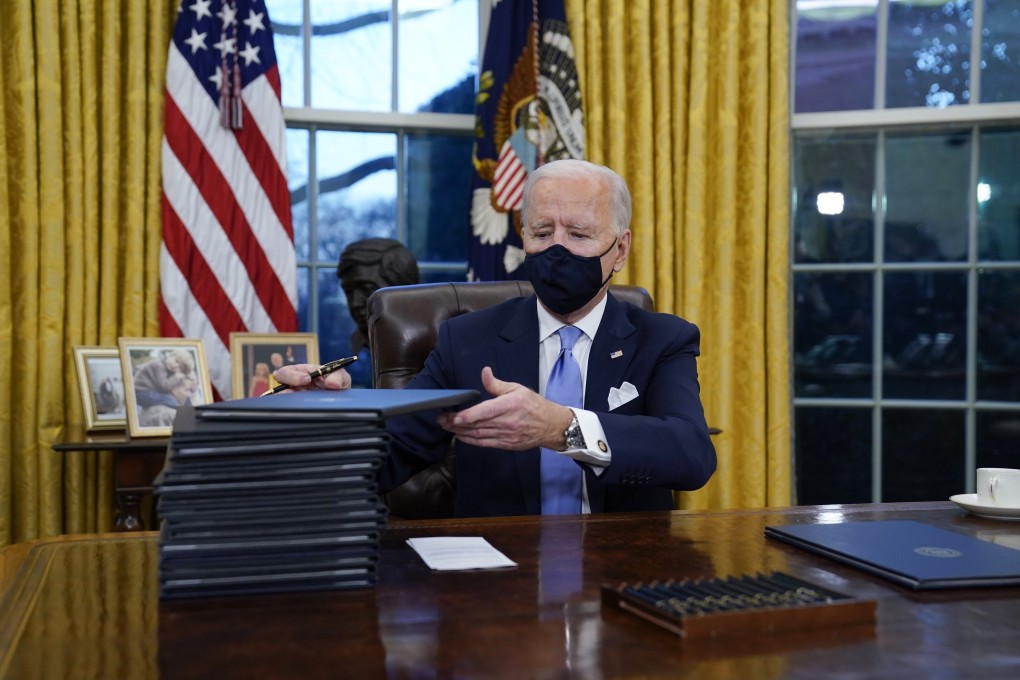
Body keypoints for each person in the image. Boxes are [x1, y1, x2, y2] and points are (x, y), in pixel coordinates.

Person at [277, 159, 716, 517]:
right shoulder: (466, 341)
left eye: (579, 235)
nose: (556, 250)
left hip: (622, 572)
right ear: (523, 235)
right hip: (497, 577)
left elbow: (691, 455)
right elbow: (389, 456)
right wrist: (334, 412)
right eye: (542, 233)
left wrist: (562, 428)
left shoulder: (662, 339)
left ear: (619, 250)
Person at [336, 238, 420, 387]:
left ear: (403, 289)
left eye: (367, 289)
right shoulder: (341, 352)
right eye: (349, 292)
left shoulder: (438, 350)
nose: (355, 303)